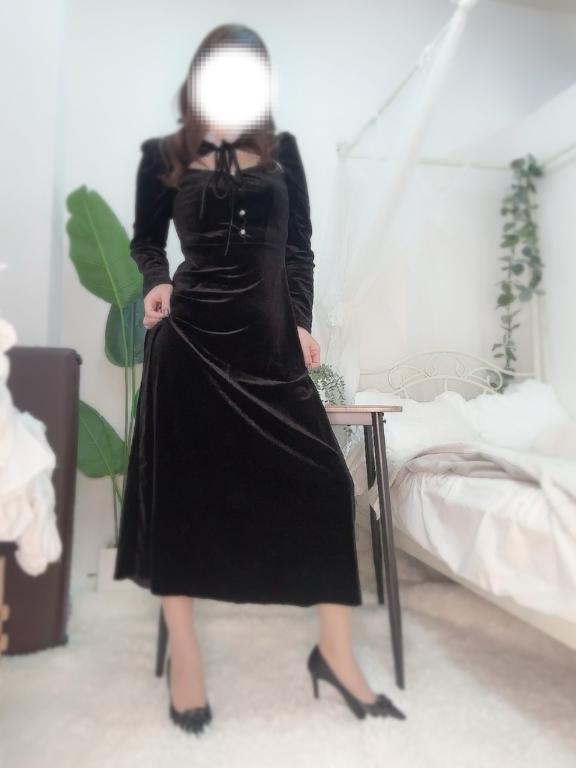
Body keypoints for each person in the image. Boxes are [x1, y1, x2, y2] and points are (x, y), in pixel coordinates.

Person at [114, 23, 405, 734]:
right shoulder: (163, 155)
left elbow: (299, 248)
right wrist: (156, 281)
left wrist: (299, 320)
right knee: (181, 495)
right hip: (190, 344)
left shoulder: (284, 153)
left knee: (325, 484)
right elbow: (147, 240)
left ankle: (335, 654)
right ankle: (185, 655)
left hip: (268, 345)